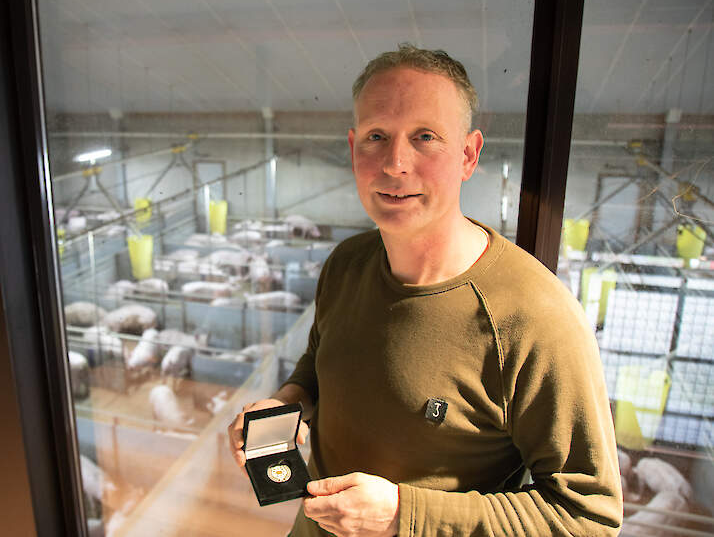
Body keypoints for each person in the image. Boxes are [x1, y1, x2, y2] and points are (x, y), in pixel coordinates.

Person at [226, 44, 622, 536]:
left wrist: (403, 516)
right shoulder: (347, 263)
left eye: (425, 137)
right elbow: (320, 363)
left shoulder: (535, 315)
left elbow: (588, 517)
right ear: (353, 149)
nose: (395, 163)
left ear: (468, 155)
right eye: (376, 136)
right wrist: (286, 404)